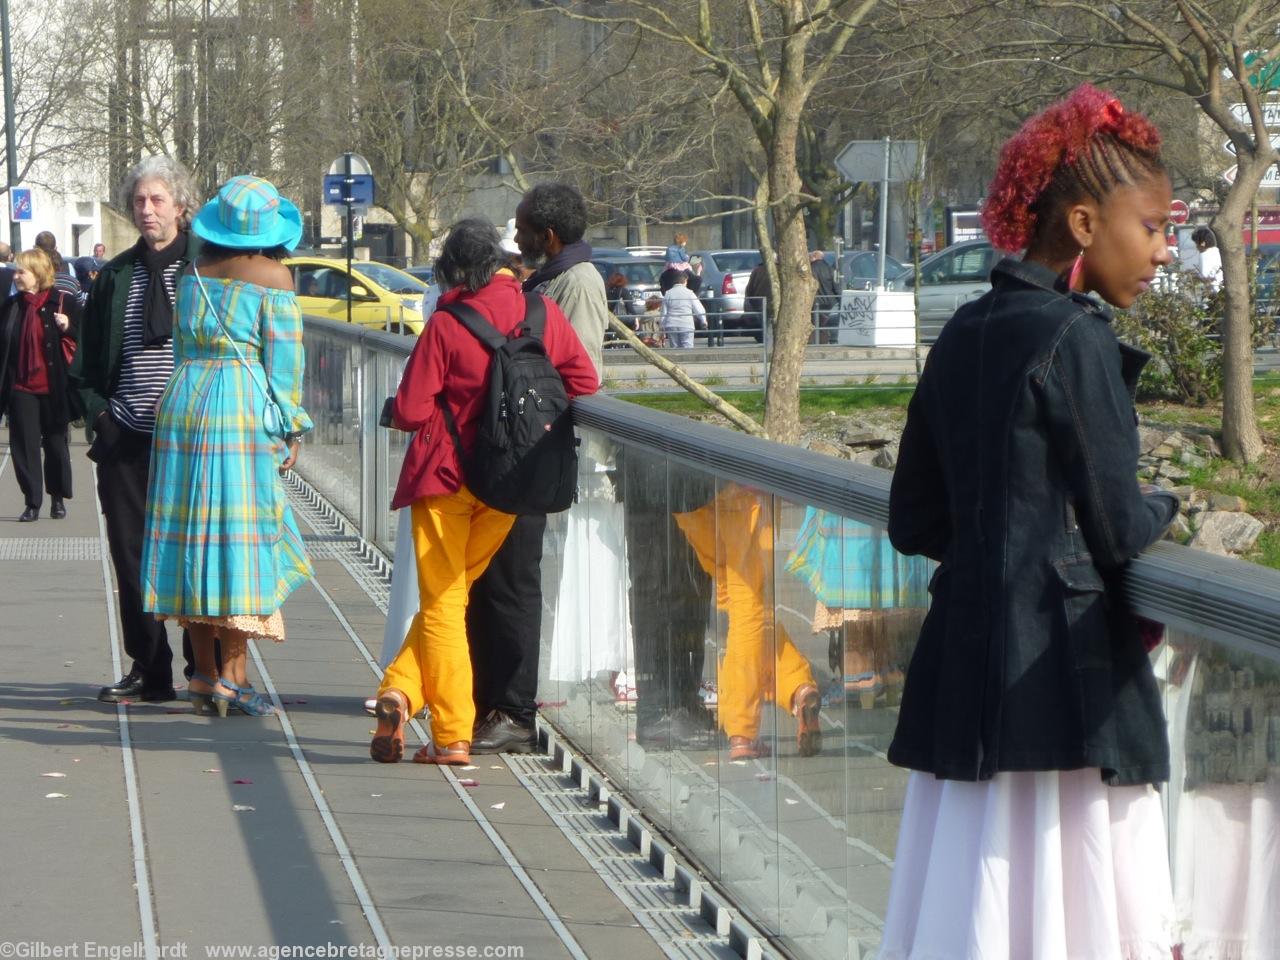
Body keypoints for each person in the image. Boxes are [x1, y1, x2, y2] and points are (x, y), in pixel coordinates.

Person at [879, 84, 1181, 957]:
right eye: (1152, 227)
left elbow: (913, 519)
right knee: (1071, 914)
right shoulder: (1075, 336)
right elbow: (1119, 529)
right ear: (1084, 224)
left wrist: (1001, 543)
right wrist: (1170, 505)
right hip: (1063, 690)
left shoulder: (966, 329)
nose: (1163, 250)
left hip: (966, 674)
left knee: (977, 916)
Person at [371, 217, 597, 765]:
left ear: (455, 271)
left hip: (446, 479)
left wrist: (398, 412)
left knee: (444, 601)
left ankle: (452, 734)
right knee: (456, 592)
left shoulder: (447, 323)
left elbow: (413, 410)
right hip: (510, 483)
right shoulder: (541, 312)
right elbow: (585, 382)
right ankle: (400, 691)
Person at [140, 175, 312, 718]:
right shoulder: (273, 277)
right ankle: (233, 679)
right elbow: (284, 365)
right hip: (240, 407)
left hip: (184, 401)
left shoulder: (192, 271)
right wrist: (292, 426)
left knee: (192, 533)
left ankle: (204, 674)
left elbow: (180, 346)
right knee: (241, 536)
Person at [462, 183, 608, 756]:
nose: (515, 236)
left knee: (513, 584)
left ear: (548, 235)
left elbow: (580, 372)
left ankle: (514, 711)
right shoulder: (549, 280)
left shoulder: (577, 283)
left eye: (522, 228)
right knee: (493, 582)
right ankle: (488, 700)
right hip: (514, 447)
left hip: (530, 452)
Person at [74, 156, 201, 705]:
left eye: (157, 200)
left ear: (180, 205)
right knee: (130, 556)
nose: (146, 210)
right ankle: (151, 669)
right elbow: (85, 367)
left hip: (192, 440)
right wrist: (101, 418)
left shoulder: (206, 268)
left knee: (193, 555)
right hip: (126, 435)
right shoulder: (115, 275)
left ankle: (204, 667)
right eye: (139, 201)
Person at [0, 248, 80, 521]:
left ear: (37, 274)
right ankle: (32, 502)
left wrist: (68, 327)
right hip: (21, 388)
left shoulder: (63, 302)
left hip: (54, 388)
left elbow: (86, 339)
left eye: (21, 272)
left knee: (56, 445)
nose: (16, 276)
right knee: (24, 447)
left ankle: (57, 498)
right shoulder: (12, 306)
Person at [659, 270, 706, 347]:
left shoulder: (668, 293)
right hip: (686, 324)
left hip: (671, 324)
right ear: (685, 281)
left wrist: (662, 326)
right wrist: (703, 320)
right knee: (687, 347)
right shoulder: (690, 293)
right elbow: (698, 309)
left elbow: (664, 312)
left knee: (674, 348)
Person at [34, 230, 83, 303]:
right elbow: (76, 292)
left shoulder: (31, 268)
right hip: (66, 306)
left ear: (35, 248)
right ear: (56, 248)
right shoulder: (68, 266)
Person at [809, 250, 840, 344]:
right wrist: (840, 300)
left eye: (810, 257)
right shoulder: (830, 269)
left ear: (814, 257)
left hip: (814, 302)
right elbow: (836, 287)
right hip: (829, 302)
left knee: (813, 324)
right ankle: (824, 342)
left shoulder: (810, 269)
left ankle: (814, 343)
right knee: (824, 325)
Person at [1192, 225, 1222, 292]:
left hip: (1212, 290)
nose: (1196, 247)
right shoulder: (1217, 251)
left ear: (1202, 244)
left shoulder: (1204, 255)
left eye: (1196, 243)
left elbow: (1204, 276)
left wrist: (1194, 277)